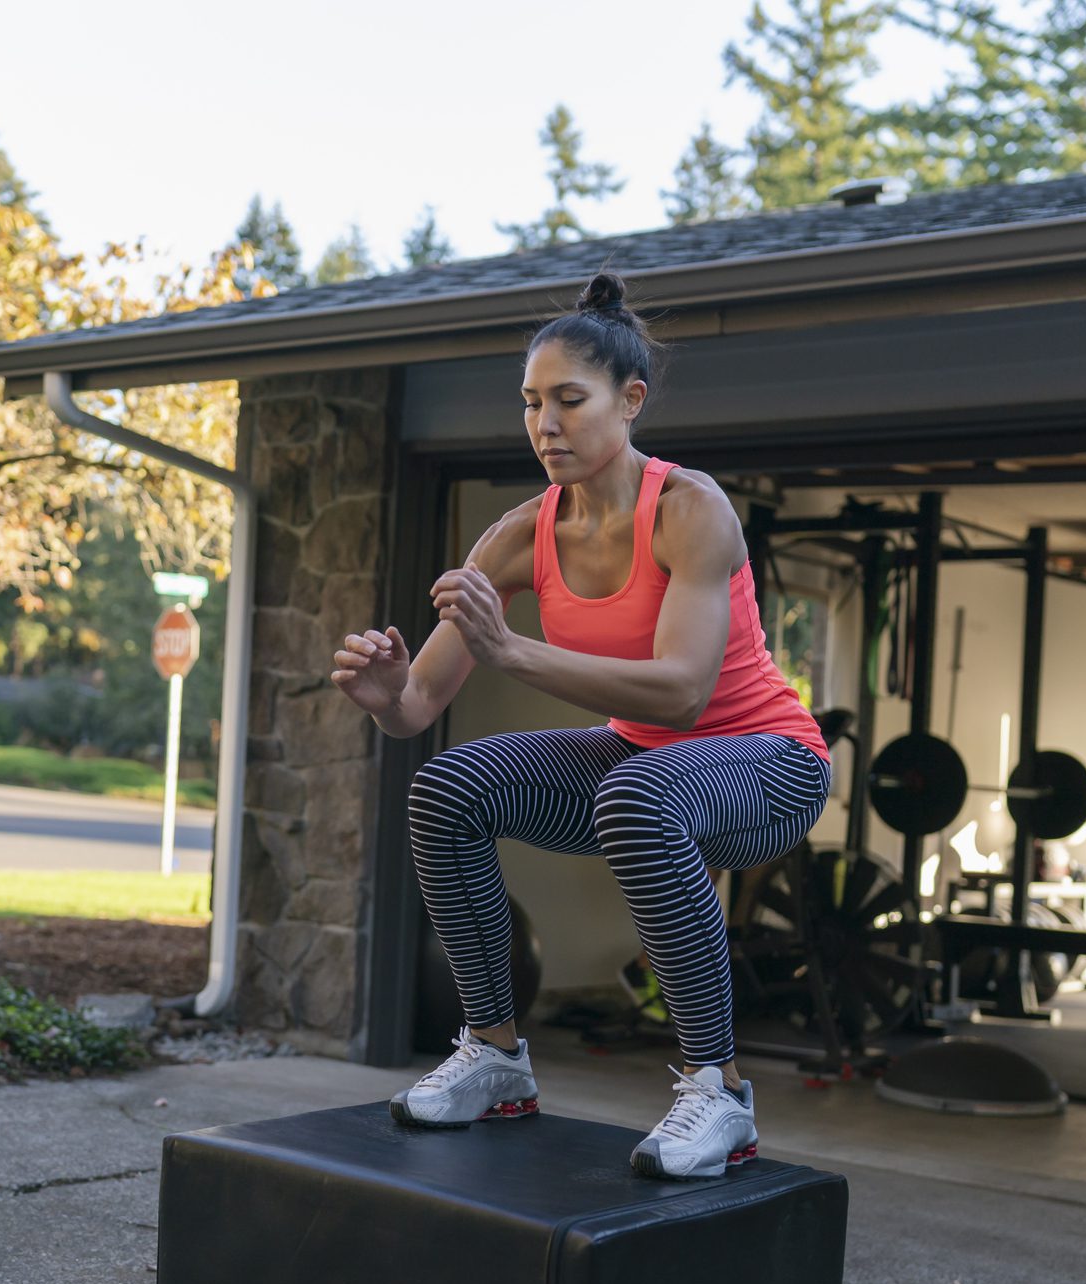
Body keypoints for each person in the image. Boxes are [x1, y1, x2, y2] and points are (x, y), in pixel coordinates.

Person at [329, 272, 831, 1179]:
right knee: (448, 787)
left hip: (769, 764)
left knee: (638, 793)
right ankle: (494, 1056)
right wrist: (385, 692)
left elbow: (680, 693)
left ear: (629, 400)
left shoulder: (689, 511)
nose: (544, 424)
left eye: (568, 399)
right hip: (644, 768)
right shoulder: (517, 536)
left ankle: (718, 1093)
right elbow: (416, 712)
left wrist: (511, 652)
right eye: (529, 403)